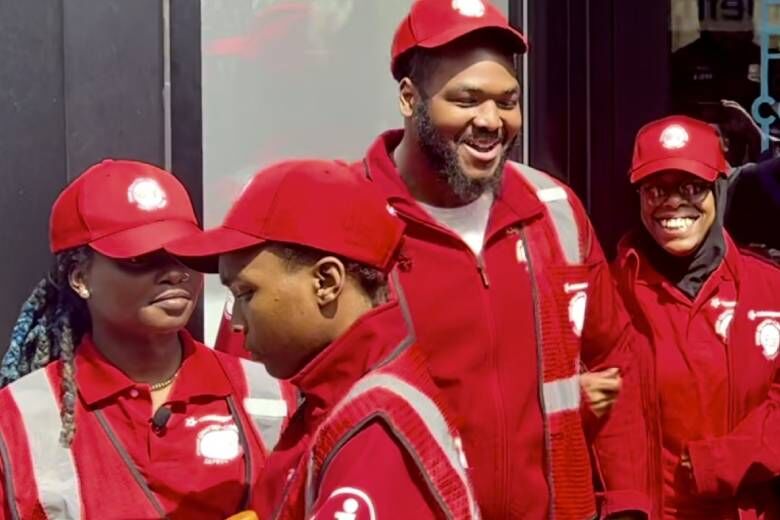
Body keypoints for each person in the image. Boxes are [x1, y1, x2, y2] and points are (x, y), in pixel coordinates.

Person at [329, 1, 650, 518]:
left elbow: (616, 360)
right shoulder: (337, 219)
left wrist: (627, 504)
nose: (490, 121)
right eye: (467, 99)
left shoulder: (554, 212)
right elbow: (275, 404)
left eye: (508, 101)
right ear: (409, 99)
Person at [166, 159, 481, 519]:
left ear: (326, 282)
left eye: (246, 293)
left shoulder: (373, 426)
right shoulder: (338, 398)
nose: (236, 323)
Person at [0, 160, 287, 519]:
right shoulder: (17, 418)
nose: (174, 272)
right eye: (141, 258)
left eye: (186, 253)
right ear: (80, 278)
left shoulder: (275, 396)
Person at [613, 115, 780, 519]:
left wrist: (726, 460)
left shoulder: (770, 289)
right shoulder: (607, 295)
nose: (673, 202)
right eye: (656, 188)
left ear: (719, 190)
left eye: (691, 186)